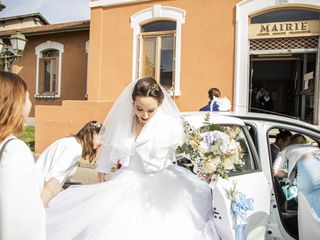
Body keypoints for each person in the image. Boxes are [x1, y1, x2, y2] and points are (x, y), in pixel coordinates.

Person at [46, 77, 219, 240]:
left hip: (163, 186)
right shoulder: (124, 121)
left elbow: (194, 149)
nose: (144, 115)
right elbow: (109, 145)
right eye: (139, 109)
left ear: (159, 105)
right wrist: (103, 168)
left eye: (150, 111)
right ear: (133, 104)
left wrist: (210, 159)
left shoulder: (171, 125)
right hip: (126, 180)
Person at [0, 71, 45, 239]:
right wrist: (50, 190)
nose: (30, 104)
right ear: (14, 104)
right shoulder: (14, 151)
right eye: (26, 98)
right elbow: (22, 221)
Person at [36, 120, 102, 207]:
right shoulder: (74, 148)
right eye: (101, 139)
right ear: (93, 133)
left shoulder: (74, 145)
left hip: (44, 190)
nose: (101, 143)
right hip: (40, 193)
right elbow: (53, 178)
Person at [272, 138, 320, 218]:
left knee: (307, 208)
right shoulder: (314, 148)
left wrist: (288, 175)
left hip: (308, 173)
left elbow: (274, 172)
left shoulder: (286, 149)